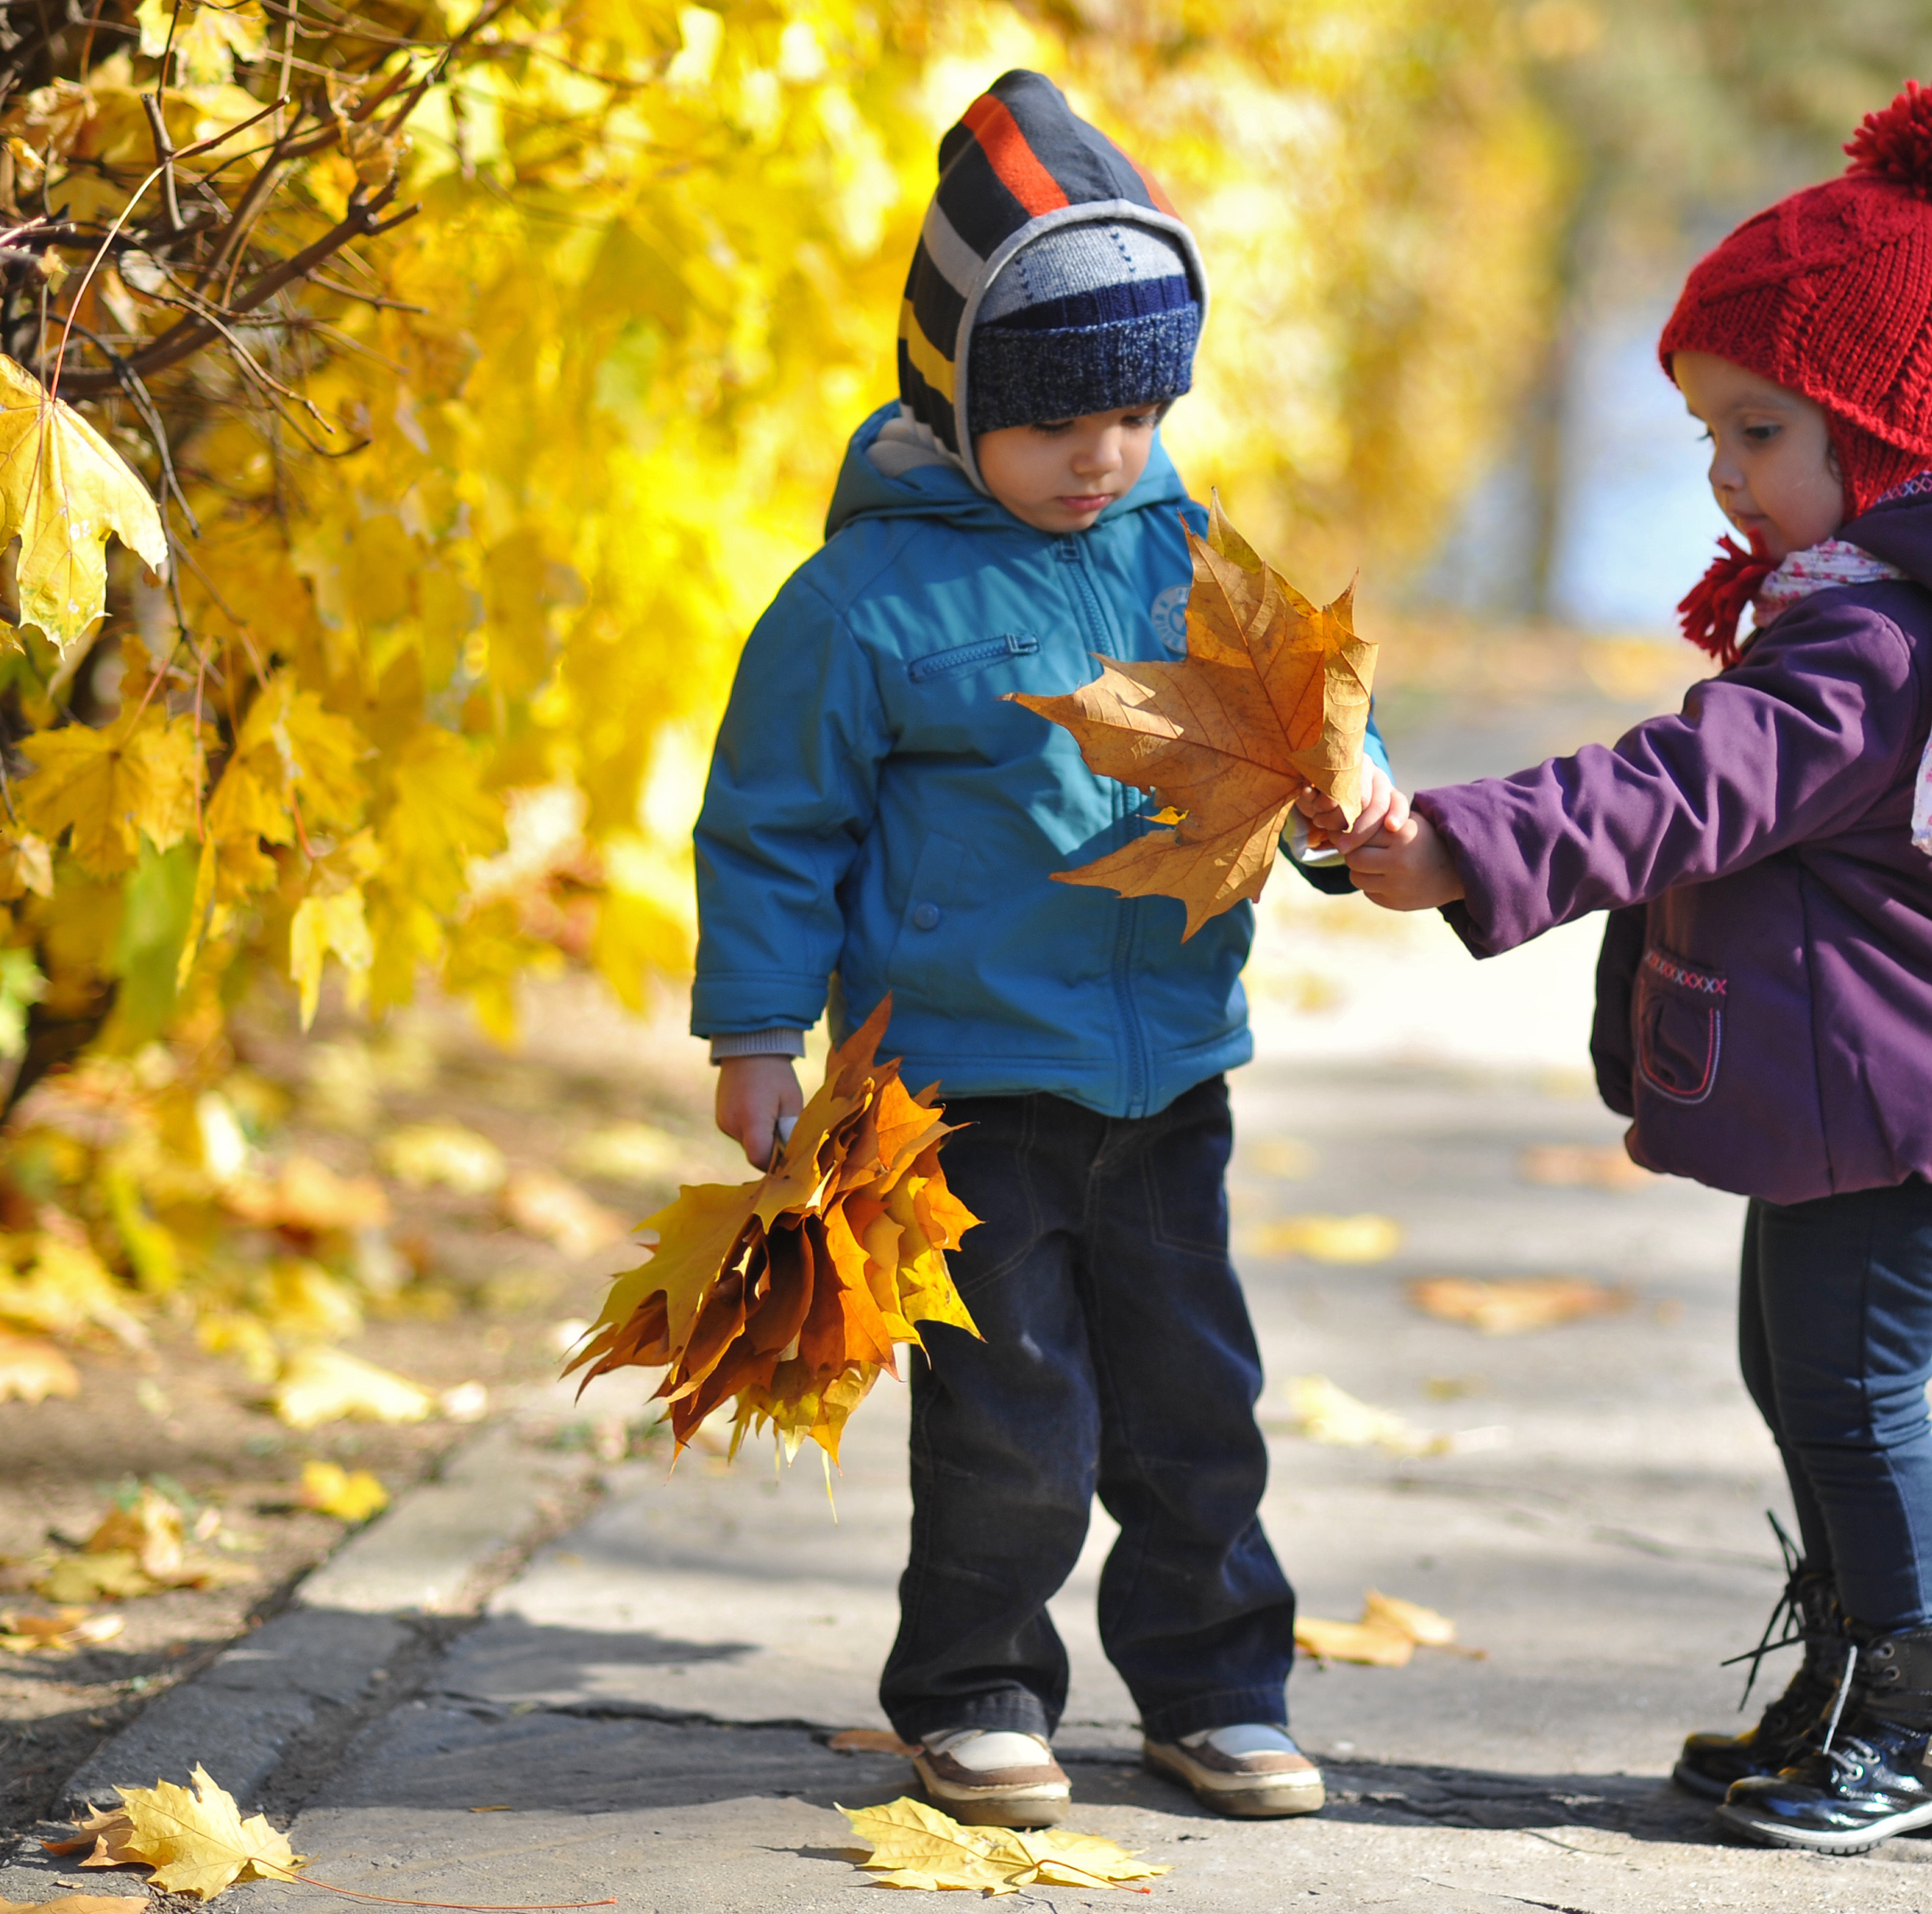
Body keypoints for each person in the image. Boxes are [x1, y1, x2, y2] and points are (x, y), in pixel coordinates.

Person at [1322, 78, 1932, 1854]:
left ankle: (1919, 1724)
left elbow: (1690, 787)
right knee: (1804, 1379)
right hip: (1873, 1093)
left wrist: (1465, 841)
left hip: (1921, 1099)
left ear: (1877, 434)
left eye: (1758, 430)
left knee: (1853, 1391)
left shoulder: (1867, 647)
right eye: (1709, 432)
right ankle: (1853, 1685)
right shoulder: (1846, 597)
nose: (1722, 472)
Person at [693, 70, 1389, 1831]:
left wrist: (1342, 800)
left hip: (1167, 1072)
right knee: (1015, 1416)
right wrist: (757, 1032)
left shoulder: (1186, 560)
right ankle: (977, 1678)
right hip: (966, 1088)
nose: (1107, 454)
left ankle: (1219, 1682)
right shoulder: (864, 605)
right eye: (1062, 418)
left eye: (1142, 410)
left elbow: (1294, 748)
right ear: (957, 390)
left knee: (1193, 1405)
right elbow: (775, 827)